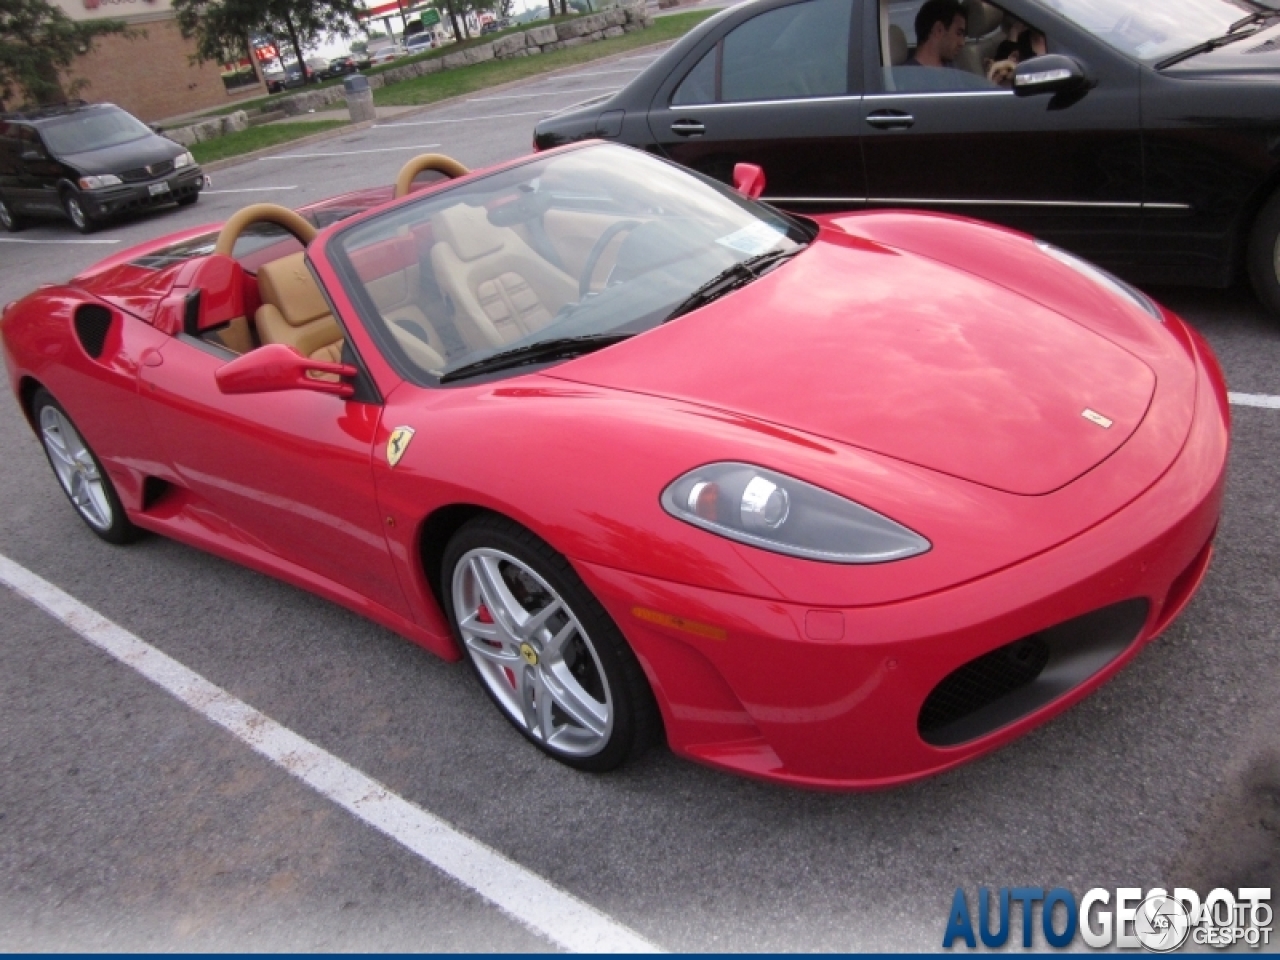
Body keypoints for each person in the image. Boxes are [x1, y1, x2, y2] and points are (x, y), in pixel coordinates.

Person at [906, 0, 968, 68]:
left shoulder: (952, 67)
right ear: (939, 30)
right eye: (958, 33)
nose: (962, 43)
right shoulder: (908, 75)